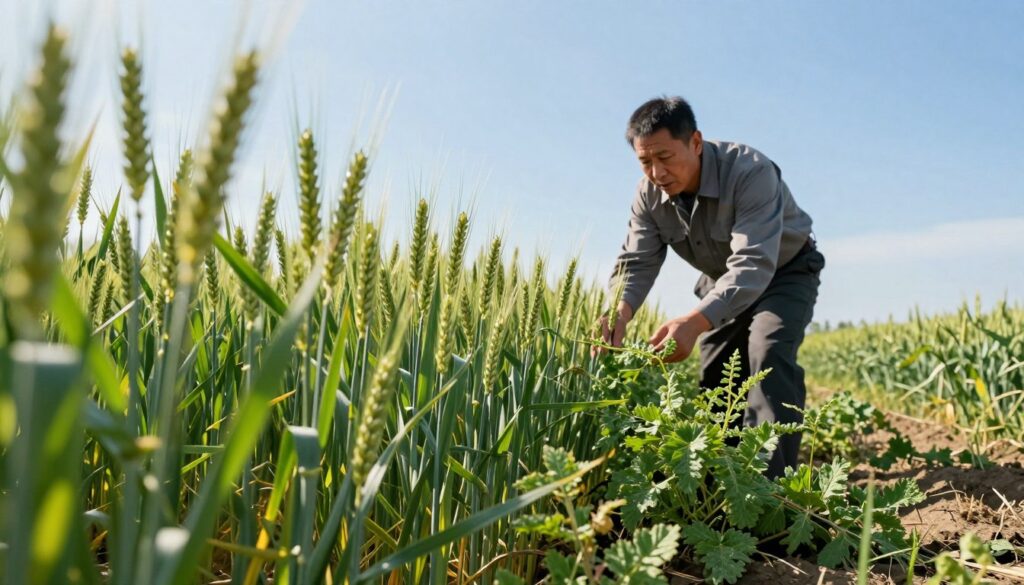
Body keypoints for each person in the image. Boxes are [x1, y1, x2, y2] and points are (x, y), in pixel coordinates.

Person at [597, 96, 825, 478]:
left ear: (696, 142)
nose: (656, 172)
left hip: (784, 270)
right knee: (717, 372)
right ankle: (724, 478)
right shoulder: (647, 196)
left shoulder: (750, 172)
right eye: (645, 161)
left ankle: (772, 490)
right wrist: (618, 311)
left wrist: (695, 320)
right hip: (721, 279)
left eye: (665, 157)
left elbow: (753, 263)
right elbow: (637, 261)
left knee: (767, 353)